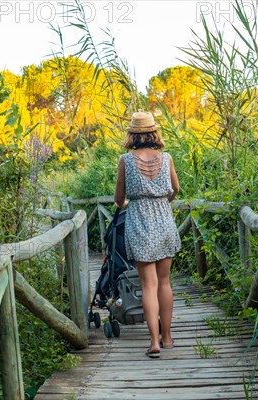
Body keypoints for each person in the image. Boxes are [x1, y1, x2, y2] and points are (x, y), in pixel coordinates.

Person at [113, 111, 181, 358]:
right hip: (164, 220)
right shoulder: (167, 158)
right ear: (154, 132)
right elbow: (175, 189)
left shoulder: (126, 161)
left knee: (148, 285)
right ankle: (168, 337)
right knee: (164, 282)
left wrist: (130, 204)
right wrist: (162, 201)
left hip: (139, 222)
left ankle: (153, 342)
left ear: (132, 135)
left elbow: (119, 200)